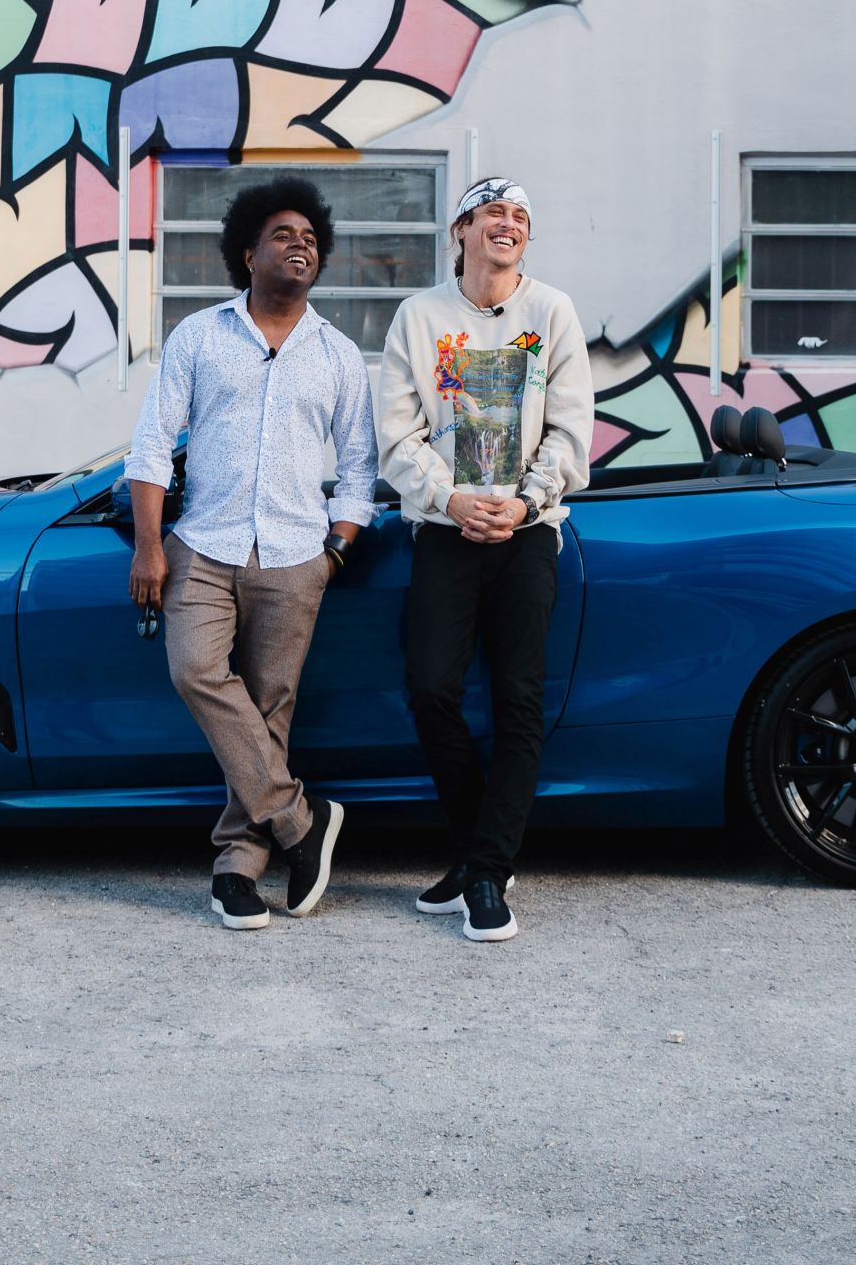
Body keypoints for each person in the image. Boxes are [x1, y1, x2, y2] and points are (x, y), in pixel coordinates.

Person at [125, 174, 377, 930]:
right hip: (203, 545)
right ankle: (301, 822)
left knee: (269, 709)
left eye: (311, 239)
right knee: (195, 670)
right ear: (248, 253)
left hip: (296, 554)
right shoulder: (200, 336)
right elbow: (151, 444)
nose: (300, 246)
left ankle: (237, 867)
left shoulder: (338, 354)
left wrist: (334, 553)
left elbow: (358, 469)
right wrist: (148, 547)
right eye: (283, 235)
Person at [377, 178, 593, 942]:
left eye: (521, 217)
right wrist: (450, 499)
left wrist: (526, 503)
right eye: (495, 212)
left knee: (518, 701)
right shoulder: (419, 317)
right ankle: (479, 859)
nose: (509, 224)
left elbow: (571, 428)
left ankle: (487, 872)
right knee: (431, 688)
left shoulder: (552, 312)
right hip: (445, 532)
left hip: (527, 533)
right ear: (462, 230)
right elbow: (396, 435)